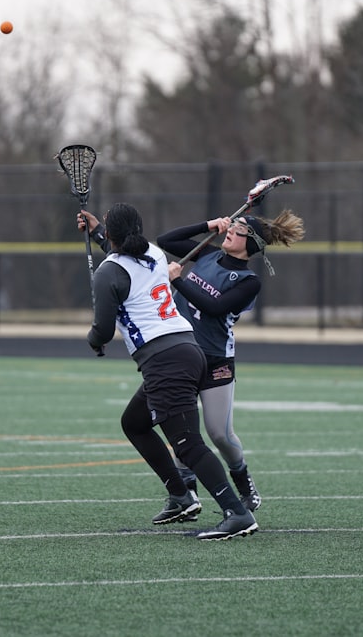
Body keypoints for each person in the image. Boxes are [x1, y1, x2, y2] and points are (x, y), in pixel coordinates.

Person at [81, 202, 258, 540]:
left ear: (115, 234)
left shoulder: (110, 271)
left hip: (165, 361)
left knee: (188, 444)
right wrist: (97, 233)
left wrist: (93, 339)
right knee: (134, 423)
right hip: (187, 349)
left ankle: (237, 512)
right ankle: (180, 495)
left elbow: (102, 331)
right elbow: (123, 260)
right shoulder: (153, 253)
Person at [155, 209, 305, 512]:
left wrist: (179, 281)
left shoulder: (249, 281)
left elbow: (214, 307)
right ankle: (188, 493)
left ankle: (244, 482)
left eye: (237, 230)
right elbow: (166, 239)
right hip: (183, 354)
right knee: (181, 430)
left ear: (250, 244)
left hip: (215, 359)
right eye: (231, 227)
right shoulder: (207, 254)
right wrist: (207, 224)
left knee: (220, 434)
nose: (230, 232)